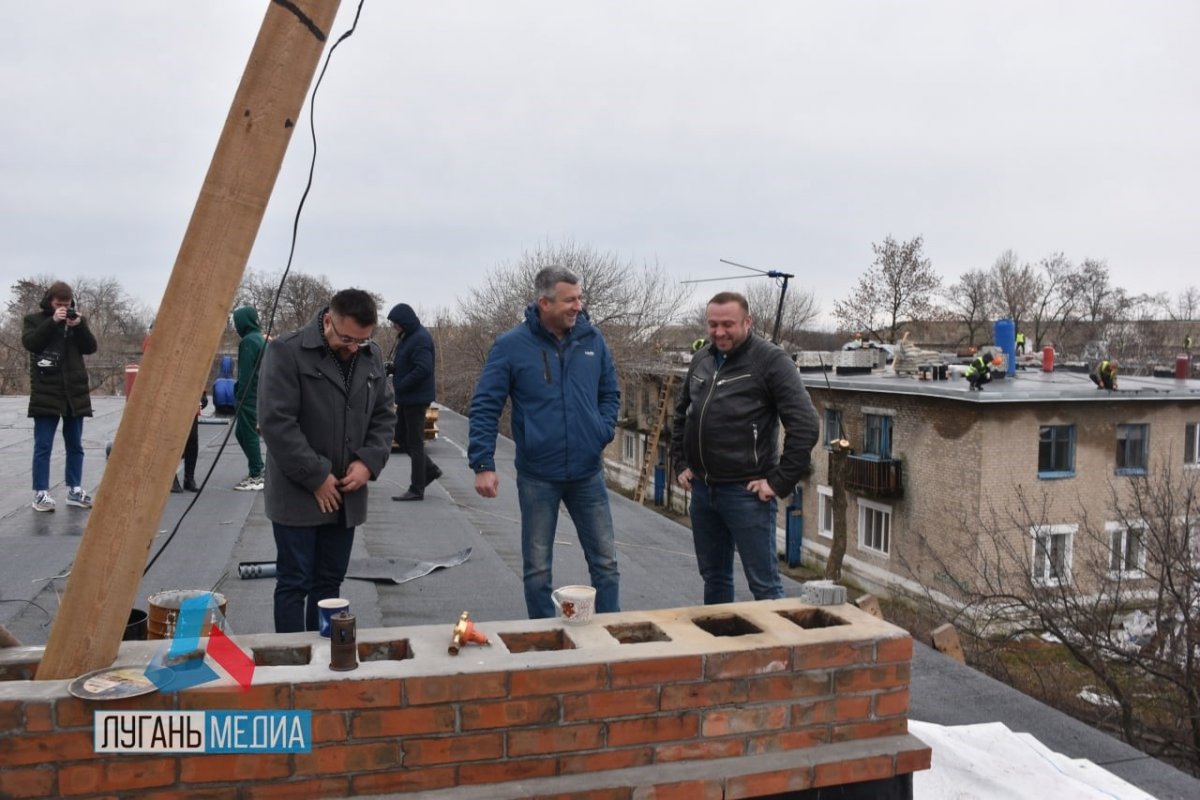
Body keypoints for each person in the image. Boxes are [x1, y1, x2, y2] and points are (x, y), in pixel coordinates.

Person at [468, 266, 621, 619]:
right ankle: (543, 634)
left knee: (606, 562)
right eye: (570, 300)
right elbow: (486, 404)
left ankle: (612, 629)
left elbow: (609, 392)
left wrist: (601, 430)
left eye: (579, 298)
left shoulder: (592, 340)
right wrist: (483, 464)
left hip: (587, 473)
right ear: (544, 303)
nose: (578, 306)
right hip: (538, 475)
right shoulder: (511, 346)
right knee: (537, 568)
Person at [258, 289, 395, 633]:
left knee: (329, 585)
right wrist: (316, 476)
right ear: (328, 320)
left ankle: (321, 663)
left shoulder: (372, 356)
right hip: (297, 493)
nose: (353, 347)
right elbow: (277, 423)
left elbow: (384, 416)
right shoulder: (287, 352)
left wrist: (368, 463)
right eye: (347, 338)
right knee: (294, 582)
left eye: (362, 341)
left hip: (346, 495)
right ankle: (290, 664)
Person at [670, 291, 819, 604]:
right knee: (714, 578)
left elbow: (805, 423)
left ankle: (775, 653)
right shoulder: (702, 359)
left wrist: (779, 481)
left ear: (747, 322)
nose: (719, 332)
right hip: (702, 491)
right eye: (713, 324)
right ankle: (720, 647)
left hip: (746, 493)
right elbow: (683, 413)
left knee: (764, 587)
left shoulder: (770, 361)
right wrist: (680, 462)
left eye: (728, 324)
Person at [23, 282, 97, 512]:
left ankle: (75, 489)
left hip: (73, 393)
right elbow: (31, 343)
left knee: (75, 444)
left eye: (67, 304)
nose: (64, 308)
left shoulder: (76, 321)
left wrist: (79, 326)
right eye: (59, 305)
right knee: (43, 445)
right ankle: (41, 493)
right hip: (46, 391)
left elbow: (90, 347)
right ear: (50, 302)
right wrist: (53, 321)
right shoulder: (34, 320)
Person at [386, 303, 442, 501]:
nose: (394, 327)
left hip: (416, 399)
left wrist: (401, 384)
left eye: (396, 323)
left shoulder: (420, 339)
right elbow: (408, 363)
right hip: (408, 398)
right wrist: (393, 369)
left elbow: (423, 368)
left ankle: (417, 488)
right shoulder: (409, 337)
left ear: (404, 322)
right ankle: (430, 470)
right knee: (401, 436)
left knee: (415, 443)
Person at [232, 306, 266, 491]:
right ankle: (258, 468)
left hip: (249, 396)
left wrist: (239, 395)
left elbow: (246, 373)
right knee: (241, 433)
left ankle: (256, 474)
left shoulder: (248, 342)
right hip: (259, 393)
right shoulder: (261, 339)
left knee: (249, 434)